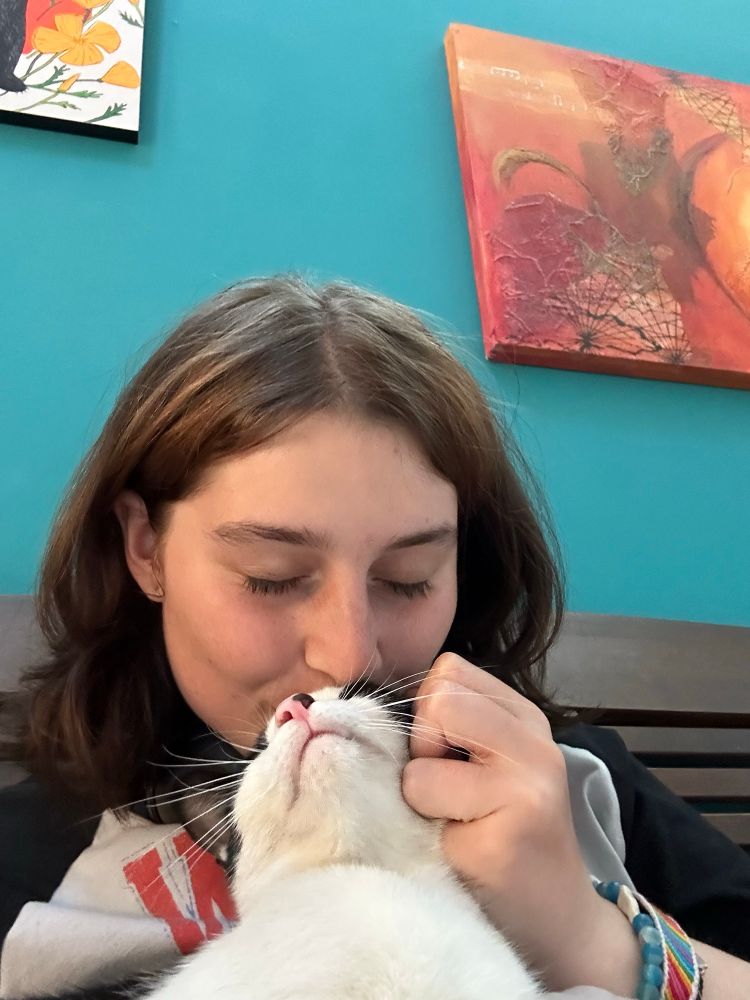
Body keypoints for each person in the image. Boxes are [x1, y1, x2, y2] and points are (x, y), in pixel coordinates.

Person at [0, 275, 748, 1000]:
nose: (350, 656)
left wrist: (587, 936)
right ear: (145, 548)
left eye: (408, 578)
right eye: (271, 576)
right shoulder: (35, 854)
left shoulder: (581, 788)